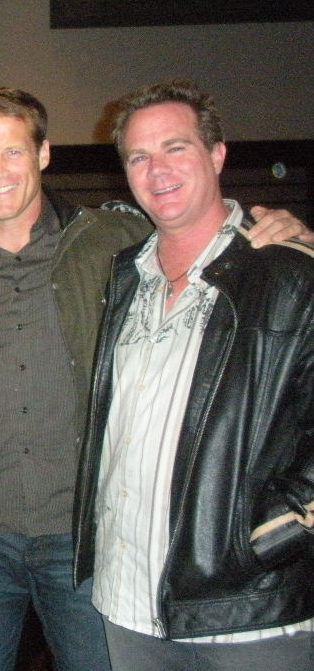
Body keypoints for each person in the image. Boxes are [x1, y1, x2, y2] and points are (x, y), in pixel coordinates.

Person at [0, 87, 314, 671]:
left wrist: (290, 235)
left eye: (13, 151)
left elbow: (199, 230)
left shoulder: (109, 244)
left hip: (84, 537)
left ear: (44, 154)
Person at [72, 80, 314, 670]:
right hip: (128, 602)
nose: (157, 170)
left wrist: (273, 534)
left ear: (217, 154)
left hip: (249, 610)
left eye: (175, 147)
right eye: (138, 156)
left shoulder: (287, 275)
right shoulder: (124, 278)